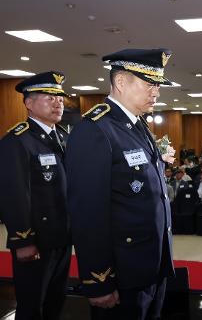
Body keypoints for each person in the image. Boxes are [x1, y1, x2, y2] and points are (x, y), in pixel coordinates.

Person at [65, 48, 175, 320]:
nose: (156, 92)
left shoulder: (137, 126)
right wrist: (99, 281)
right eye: (150, 84)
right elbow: (88, 214)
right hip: (122, 273)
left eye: (158, 85)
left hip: (150, 265)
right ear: (122, 82)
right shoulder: (95, 130)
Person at [0, 72, 71, 320]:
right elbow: (13, 194)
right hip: (36, 241)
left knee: (55, 299)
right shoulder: (17, 141)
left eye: (60, 98)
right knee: (32, 306)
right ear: (28, 103)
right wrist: (23, 241)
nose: (58, 103)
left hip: (62, 235)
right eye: (49, 98)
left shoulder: (62, 137)